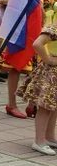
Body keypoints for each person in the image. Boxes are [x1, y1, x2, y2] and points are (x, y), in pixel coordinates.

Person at [21, 23, 57, 155]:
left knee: (53, 107)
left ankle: (50, 137)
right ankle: (39, 141)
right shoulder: (54, 27)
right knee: (45, 107)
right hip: (52, 72)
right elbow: (37, 44)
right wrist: (48, 60)